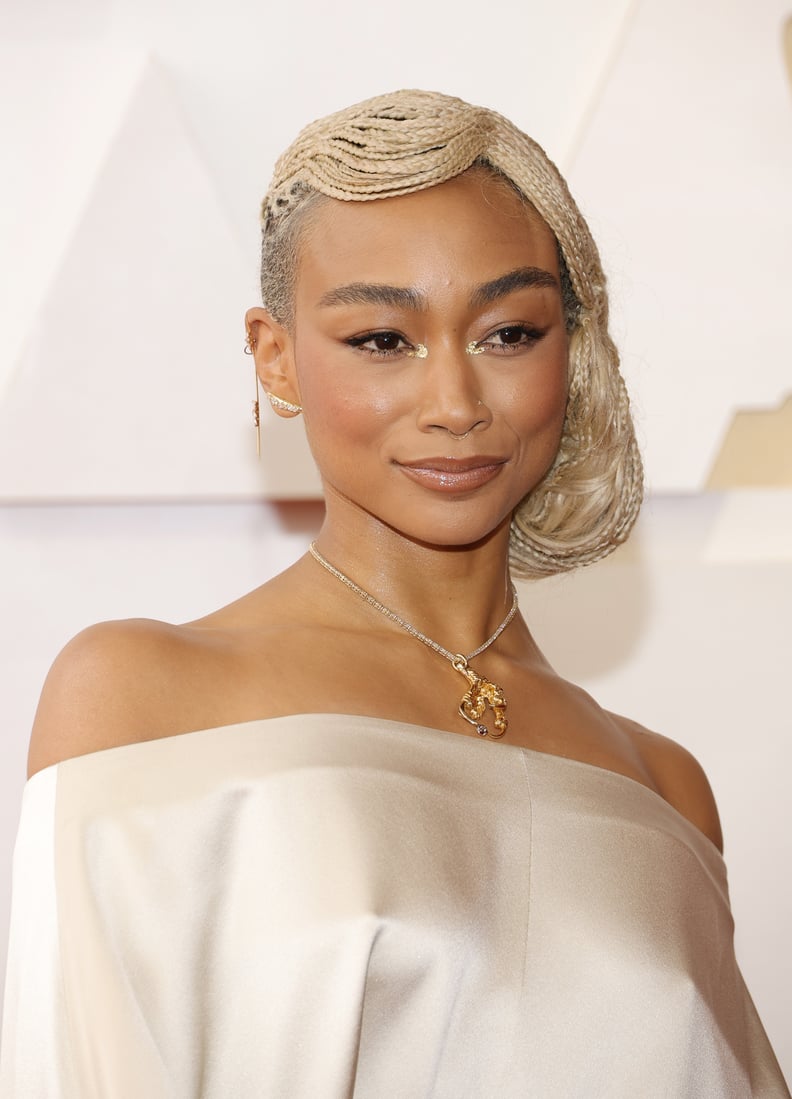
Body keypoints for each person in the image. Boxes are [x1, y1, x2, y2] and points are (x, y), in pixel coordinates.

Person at [0, 89, 788, 1098]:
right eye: (383, 340)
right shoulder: (141, 695)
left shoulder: (666, 788)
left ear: (573, 347)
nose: (455, 404)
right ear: (275, 356)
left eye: (509, 332)